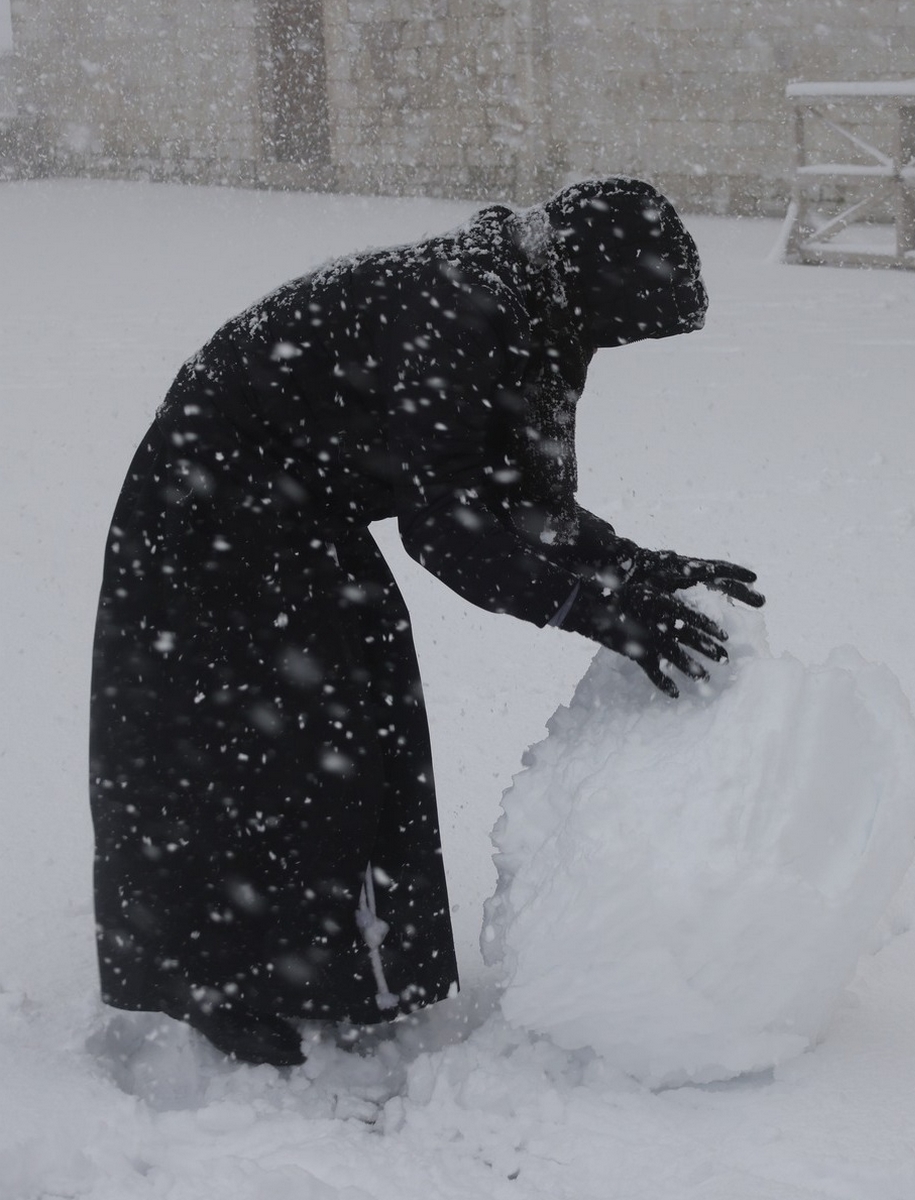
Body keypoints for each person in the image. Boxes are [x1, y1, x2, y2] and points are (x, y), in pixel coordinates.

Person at [89, 177, 764, 1068]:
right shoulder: (456, 311)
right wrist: (597, 613)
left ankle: (339, 970)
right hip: (211, 513)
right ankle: (229, 987)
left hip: (300, 511)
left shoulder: (540, 308)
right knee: (267, 742)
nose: (619, 342)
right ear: (591, 281)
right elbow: (448, 529)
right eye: (626, 321)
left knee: (361, 716)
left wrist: (637, 571)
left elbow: (522, 503)